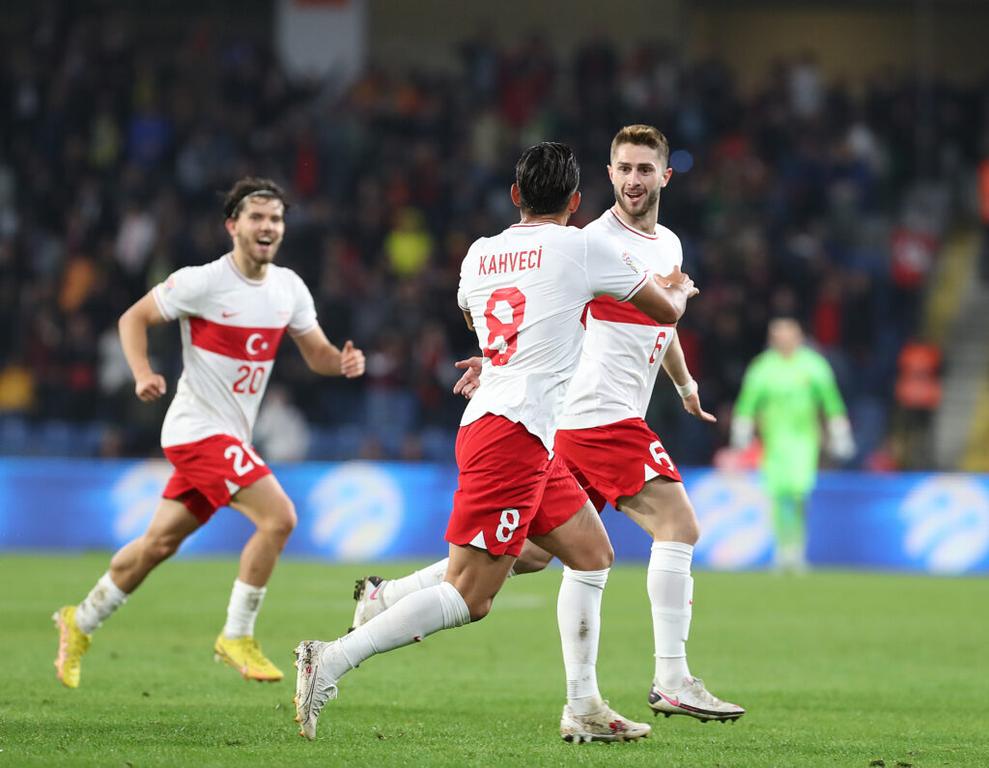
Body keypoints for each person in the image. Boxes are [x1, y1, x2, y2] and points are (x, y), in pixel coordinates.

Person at [293, 142, 698, 742]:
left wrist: (500, 357)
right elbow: (662, 311)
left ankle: (584, 707)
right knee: (471, 594)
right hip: (510, 433)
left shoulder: (480, 253)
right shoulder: (584, 247)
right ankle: (329, 659)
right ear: (576, 201)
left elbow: (474, 317)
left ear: (514, 196)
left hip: (518, 428)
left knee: (591, 553)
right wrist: (681, 289)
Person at [53, 177, 366, 688]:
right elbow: (133, 318)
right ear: (232, 226)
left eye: (276, 218)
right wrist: (143, 373)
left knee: (157, 545)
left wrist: (341, 362)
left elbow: (317, 354)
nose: (268, 226)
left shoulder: (288, 287)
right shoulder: (202, 282)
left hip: (230, 438)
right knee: (279, 518)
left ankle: (79, 620)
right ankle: (236, 635)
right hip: (196, 430)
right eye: (257, 217)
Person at [730, 317, 854, 571]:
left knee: (799, 493)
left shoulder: (813, 365)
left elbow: (830, 399)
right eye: (778, 336)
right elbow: (748, 401)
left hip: (804, 441)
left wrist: (840, 431)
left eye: (788, 335)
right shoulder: (763, 367)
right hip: (774, 442)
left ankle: (797, 547)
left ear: (799, 337)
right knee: (777, 494)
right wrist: (741, 429)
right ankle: (782, 548)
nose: (783, 341)